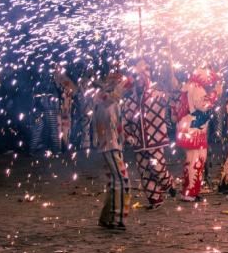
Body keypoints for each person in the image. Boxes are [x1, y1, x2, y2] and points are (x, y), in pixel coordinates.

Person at [122, 59, 175, 210]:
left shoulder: (157, 95)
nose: (139, 82)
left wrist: (171, 85)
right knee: (145, 172)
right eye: (137, 79)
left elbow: (169, 98)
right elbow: (125, 121)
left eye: (141, 79)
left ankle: (168, 183)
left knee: (157, 167)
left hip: (155, 141)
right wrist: (128, 135)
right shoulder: (130, 101)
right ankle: (155, 200)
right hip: (139, 143)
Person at [92, 69, 132, 230]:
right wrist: (128, 79)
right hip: (108, 145)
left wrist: (126, 137)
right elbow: (115, 95)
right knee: (122, 181)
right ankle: (117, 219)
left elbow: (117, 122)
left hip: (114, 144)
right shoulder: (101, 96)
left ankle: (107, 217)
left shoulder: (110, 98)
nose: (116, 81)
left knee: (115, 181)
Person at [175, 66, 221, 202]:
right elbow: (203, 105)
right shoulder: (197, 88)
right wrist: (215, 94)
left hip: (186, 130)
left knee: (190, 161)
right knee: (196, 161)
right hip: (194, 133)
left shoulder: (187, 85)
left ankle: (189, 190)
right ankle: (190, 193)